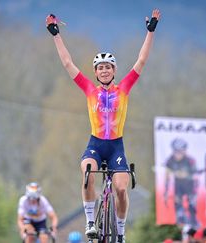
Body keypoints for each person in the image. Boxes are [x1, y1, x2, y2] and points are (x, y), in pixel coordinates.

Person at [46, 8, 161, 242]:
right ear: (96, 72)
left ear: (114, 70)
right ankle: (90, 221)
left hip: (116, 146)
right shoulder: (89, 89)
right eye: (100, 67)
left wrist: (150, 32)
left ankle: (120, 232)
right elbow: (68, 63)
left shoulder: (124, 88)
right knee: (87, 174)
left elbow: (141, 60)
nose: (104, 70)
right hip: (96, 144)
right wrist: (55, 35)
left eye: (108, 66)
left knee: (121, 188)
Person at [164, 138, 203, 228]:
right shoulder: (170, 160)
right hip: (178, 186)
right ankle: (180, 223)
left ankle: (194, 223)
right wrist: (166, 191)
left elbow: (196, 175)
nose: (177, 154)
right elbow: (167, 175)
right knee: (178, 205)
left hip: (190, 185)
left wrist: (185, 175)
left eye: (180, 152)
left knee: (191, 206)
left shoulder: (190, 160)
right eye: (176, 151)